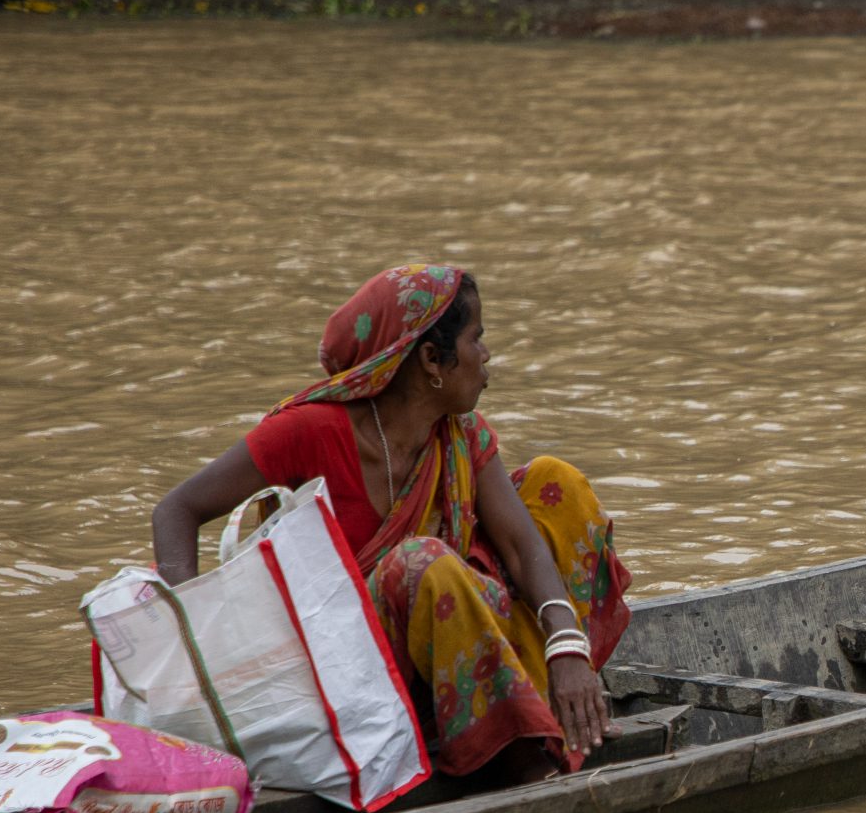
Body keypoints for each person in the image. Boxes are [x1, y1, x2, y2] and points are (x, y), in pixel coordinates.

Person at [152, 264, 632, 784]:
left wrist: (567, 646)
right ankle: (513, 751)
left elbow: (521, 546)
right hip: (351, 667)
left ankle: (552, 699)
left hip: (451, 640)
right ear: (431, 360)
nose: (487, 355)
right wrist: (191, 637)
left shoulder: (461, 432)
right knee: (423, 563)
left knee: (554, 482)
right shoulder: (309, 430)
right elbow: (177, 509)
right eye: (477, 339)